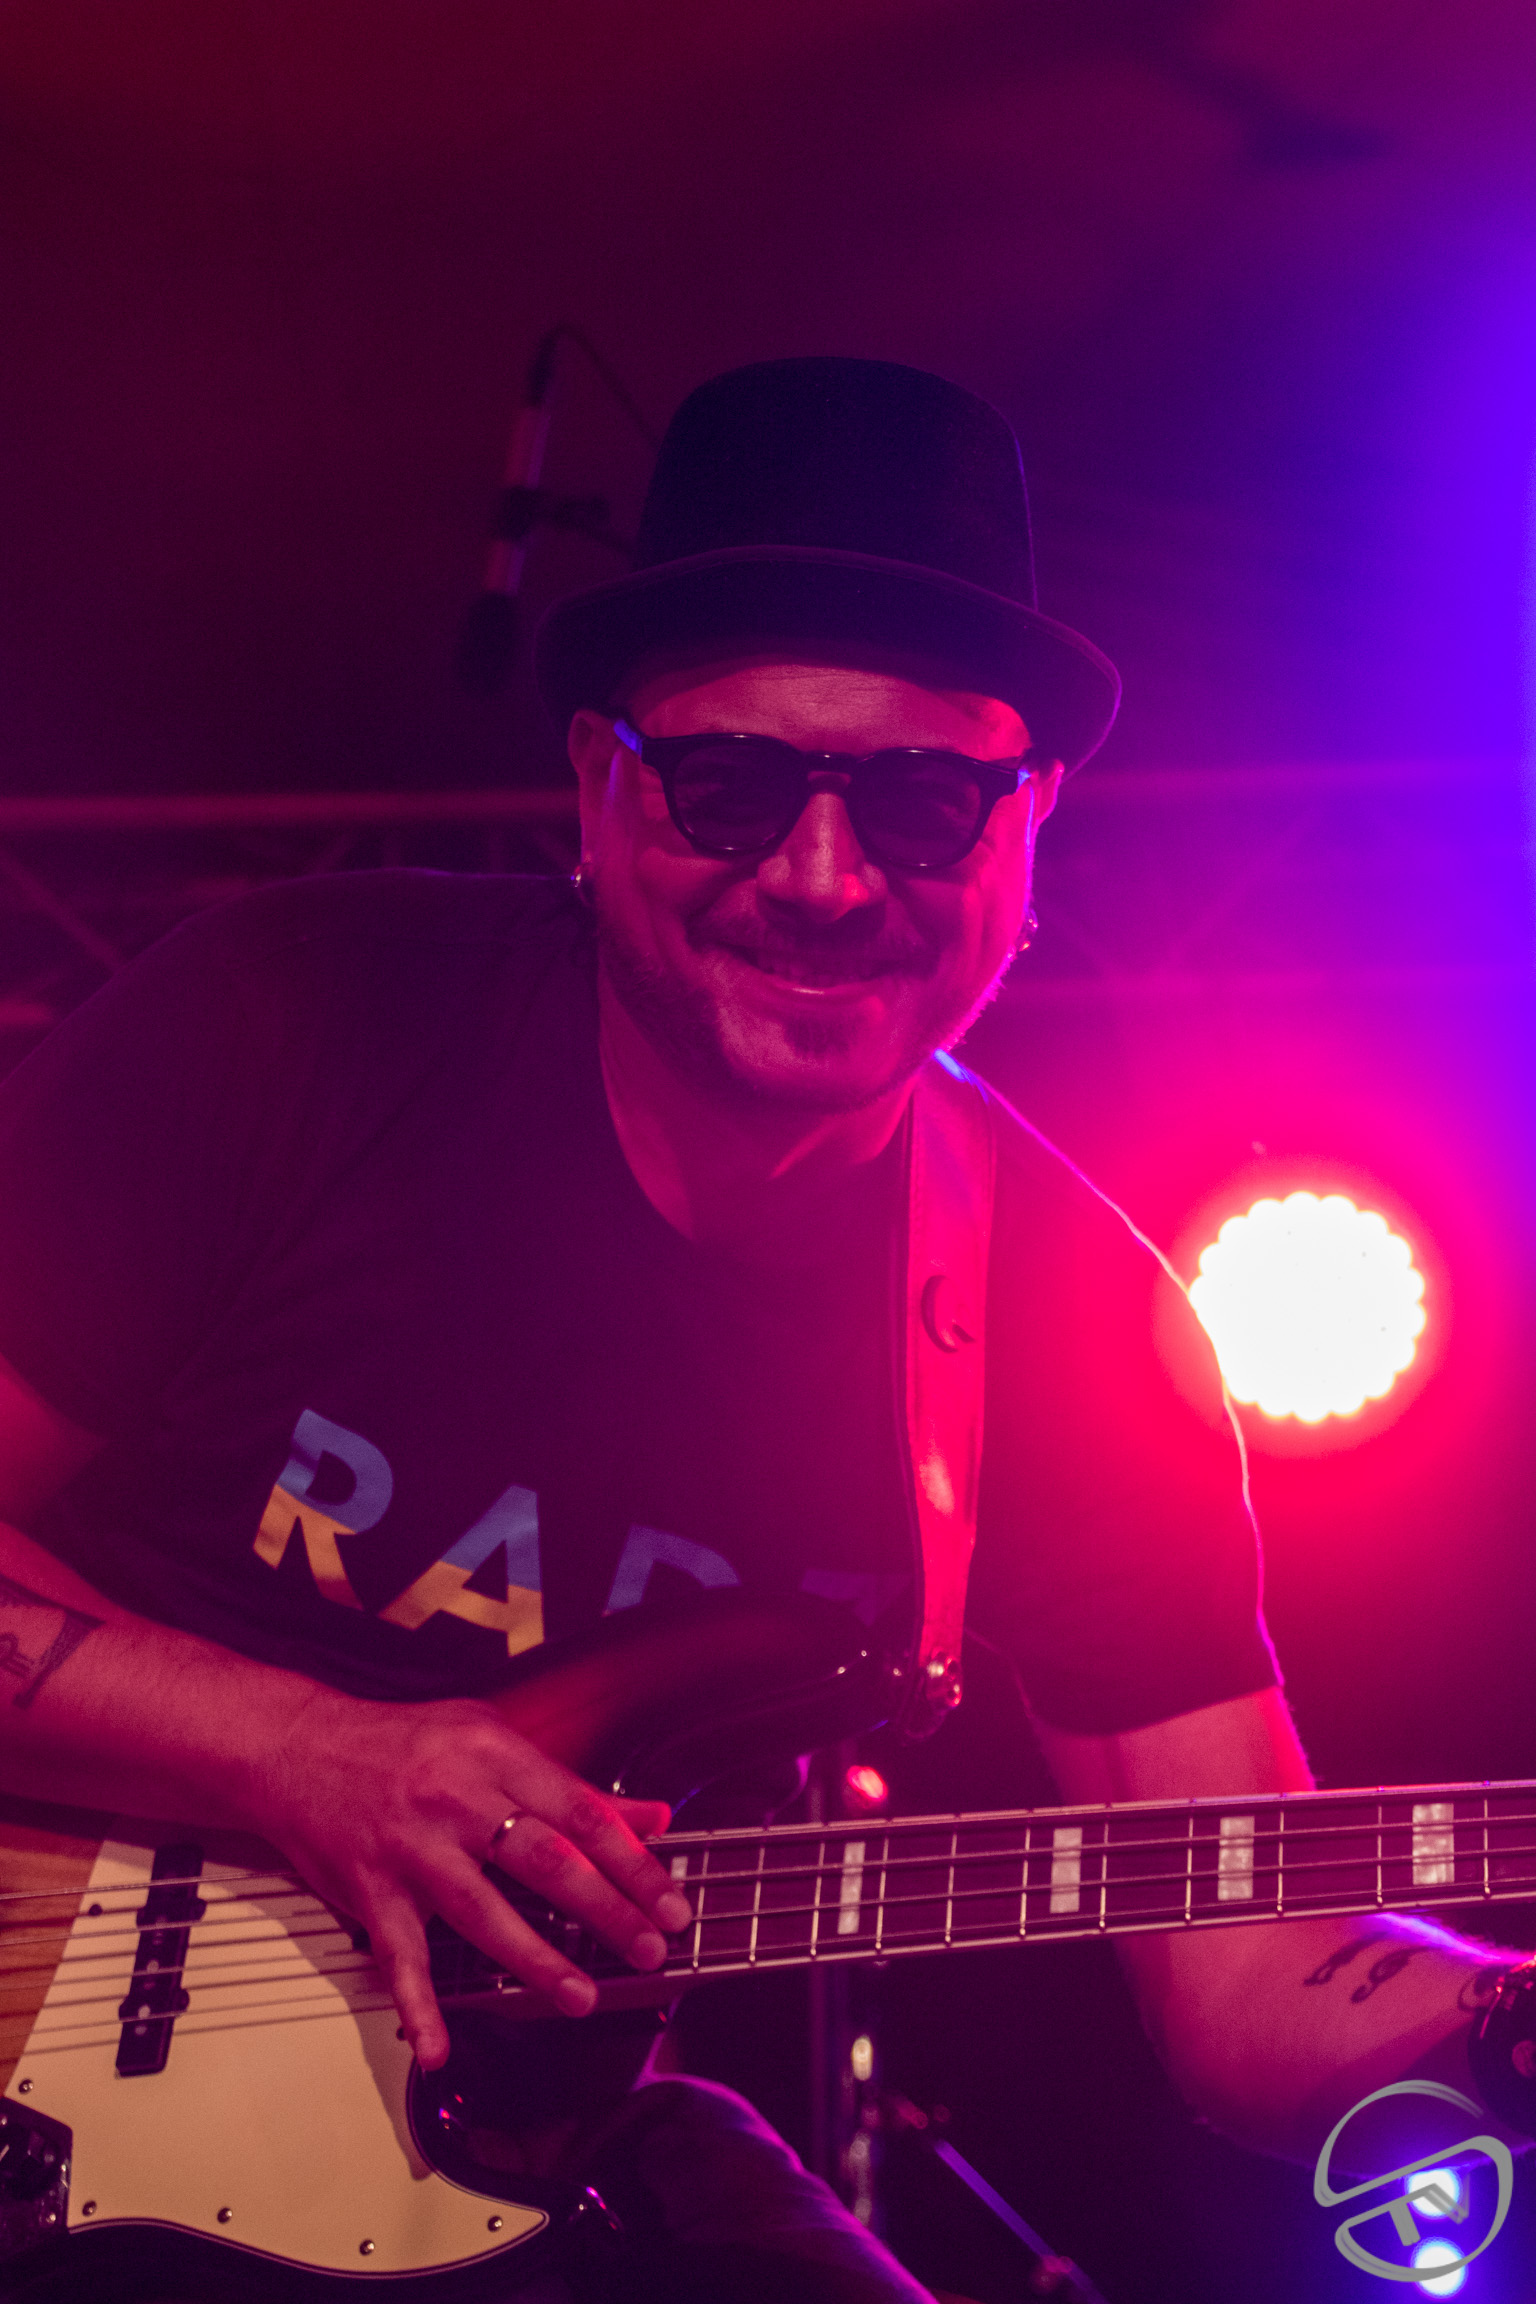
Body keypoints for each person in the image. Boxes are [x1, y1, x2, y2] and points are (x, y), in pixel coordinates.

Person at [0, 358, 1523, 2302]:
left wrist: (1507, 2014)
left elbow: (1248, 1971)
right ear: (595, 783)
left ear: (1032, 828)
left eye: (922, 803)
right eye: (729, 787)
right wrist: (306, 1754)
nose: (821, 877)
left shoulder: (1075, 1326)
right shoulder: (287, 1028)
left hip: (512, 2145)